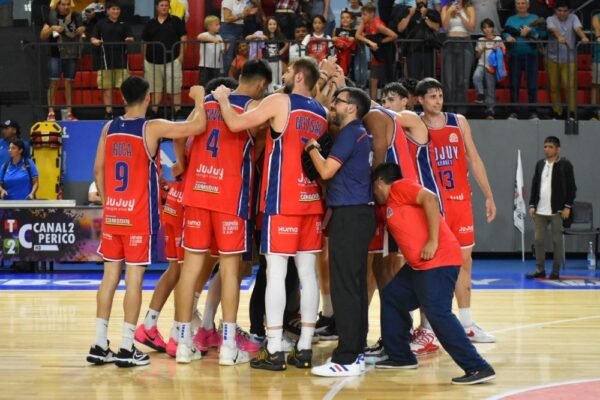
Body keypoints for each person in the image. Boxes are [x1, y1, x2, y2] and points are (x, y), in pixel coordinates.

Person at [212, 57, 327, 371]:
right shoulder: (320, 112)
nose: (284, 74)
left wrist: (222, 99)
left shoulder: (279, 101)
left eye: (289, 71)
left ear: (299, 76)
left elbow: (235, 124)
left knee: (276, 273)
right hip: (311, 201)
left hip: (282, 200)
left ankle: (274, 348)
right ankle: (304, 347)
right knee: (308, 275)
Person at [85, 76, 206, 368]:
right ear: (149, 97)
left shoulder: (108, 128)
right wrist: (200, 98)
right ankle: (127, 347)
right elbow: (197, 126)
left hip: (114, 214)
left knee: (109, 278)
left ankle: (99, 344)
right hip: (138, 217)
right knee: (134, 280)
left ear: (122, 97)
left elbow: (98, 170)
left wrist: (107, 201)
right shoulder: (152, 127)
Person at [173, 59, 273, 365]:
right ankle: (229, 346)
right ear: (261, 85)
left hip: (197, 191)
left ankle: (183, 343)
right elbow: (257, 148)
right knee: (230, 271)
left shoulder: (206, 102)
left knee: (190, 269)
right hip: (230, 197)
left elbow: (180, 135)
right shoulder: (255, 108)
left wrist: (185, 165)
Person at [371, 162, 496, 385]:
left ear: (380, 181)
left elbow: (430, 199)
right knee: (392, 296)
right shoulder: (389, 204)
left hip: (439, 260)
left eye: (373, 187)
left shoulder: (400, 187)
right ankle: (400, 356)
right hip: (418, 266)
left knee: (438, 313)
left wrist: (432, 241)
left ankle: (477, 366)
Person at [411, 78, 497, 354]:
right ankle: (428, 328)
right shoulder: (414, 124)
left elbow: (474, 158)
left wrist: (488, 195)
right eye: (432, 96)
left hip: (460, 202)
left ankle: (467, 323)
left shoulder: (458, 122)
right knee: (431, 265)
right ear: (420, 100)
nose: (438, 101)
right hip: (432, 204)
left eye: (440, 95)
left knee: (464, 262)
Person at [306, 87, 375, 377]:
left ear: (352, 108)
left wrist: (311, 148)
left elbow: (326, 171)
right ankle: (356, 351)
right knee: (355, 287)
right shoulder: (360, 133)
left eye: (339, 101)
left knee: (345, 287)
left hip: (350, 215)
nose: (333, 105)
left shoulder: (349, 133)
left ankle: (347, 357)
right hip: (359, 214)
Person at [527, 136, 576, 280]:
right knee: (539, 241)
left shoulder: (565, 165)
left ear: (557, 149)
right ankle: (540, 269)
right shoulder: (539, 164)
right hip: (540, 211)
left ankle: (555, 271)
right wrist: (532, 205)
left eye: (550, 147)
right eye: (545, 146)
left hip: (557, 211)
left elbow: (572, 187)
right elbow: (535, 185)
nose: (547, 149)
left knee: (556, 242)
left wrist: (567, 206)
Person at [40, 0, 85, 121]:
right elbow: (42, 36)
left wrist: (81, 29)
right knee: (54, 82)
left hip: (72, 53)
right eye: (63, 4)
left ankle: (69, 112)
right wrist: (52, 28)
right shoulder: (51, 17)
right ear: (58, 5)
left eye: (68, 4)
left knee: (69, 83)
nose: (66, 7)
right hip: (56, 54)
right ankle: (51, 112)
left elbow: (82, 27)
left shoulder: (75, 16)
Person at [141, 0, 187, 118]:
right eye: (162, 5)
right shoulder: (150, 23)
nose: (164, 7)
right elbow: (144, 41)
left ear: (169, 7)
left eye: (166, 5)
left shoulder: (176, 21)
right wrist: (144, 58)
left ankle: (178, 111)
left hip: (173, 60)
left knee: (175, 87)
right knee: (154, 88)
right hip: (151, 61)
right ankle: (154, 111)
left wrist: (181, 55)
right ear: (157, 7)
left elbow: (183, 38)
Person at [545, 0, 589, 120]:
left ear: (569, 11)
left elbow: (578, 28)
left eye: (565, 11)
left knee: (569, 85)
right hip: (552, 57)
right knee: (554, 86)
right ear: (555, 11)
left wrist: (584, 37)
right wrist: (559, 37)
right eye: (559, 10)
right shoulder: (550, 19)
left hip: (569, 58)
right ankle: (557, 111)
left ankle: (572, 112)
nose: (562, 13)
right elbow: (553, 30)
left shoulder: (573, 17)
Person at [91, 1, 134, 120]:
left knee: (125, 89)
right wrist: (95, 41)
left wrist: (129, 39)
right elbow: (93, 38)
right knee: (107, 89)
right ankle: (109, 112)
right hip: (105, 61)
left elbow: (131, 37)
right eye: (113, 9)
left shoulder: (124, 24)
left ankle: (128, 113)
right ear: (108, 11)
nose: (116, 11)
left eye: (117, 9)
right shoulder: (100, 24)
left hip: (122, 61)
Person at [502, 0, 543, 120]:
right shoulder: (510, 19)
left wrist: (530, 32)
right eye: (518, 3)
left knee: (532, 85)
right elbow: (505, 33)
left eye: (523, 3)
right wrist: (508, 37)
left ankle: (533, 112)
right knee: (514, 84)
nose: (521, 5)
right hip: (515, 55)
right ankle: (513, 111)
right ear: (515, 5)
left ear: (528, 5)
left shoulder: (535, 18)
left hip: (531, 55)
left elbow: (542, 34)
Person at [356, 3, 398, 100]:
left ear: (372, 14)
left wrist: (380, 42)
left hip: (386, 53)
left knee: (388, 81)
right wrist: (370, 42)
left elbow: (394, 35)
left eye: (364, 14)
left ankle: (389, 102)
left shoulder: (379, 26)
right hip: (376, 54)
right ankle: (373, 104)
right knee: (373, 80)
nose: (362, 17)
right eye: (362, 14)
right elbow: (357, 35)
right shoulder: (364, 22)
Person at [441, 0, 476, 114]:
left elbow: (471, 28)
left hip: (465, 43)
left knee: (463, 80)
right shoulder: (446, 8)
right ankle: (450, 112)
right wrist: (449, 12)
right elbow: (445, 27)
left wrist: (461, 15)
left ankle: (461, 112)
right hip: (449, 43)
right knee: (449, 80)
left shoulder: (469, 8)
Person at [396, 0, 441, 80]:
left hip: (429, 51)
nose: (421, 1)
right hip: (412, 51)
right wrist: (410, 15)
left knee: (428, 79)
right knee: (413, 79)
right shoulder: (408, 11)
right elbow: (400, 28)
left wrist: (425, 17)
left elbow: (436, 27)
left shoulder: (433, 13)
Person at [472, 18, 504, 119]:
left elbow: (503, 52)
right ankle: (480, 94)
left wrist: (497, 48)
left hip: (492, 66)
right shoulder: (480, 40)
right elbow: (477, 56)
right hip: (481, 64)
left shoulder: (498, 39)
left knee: (490, 88)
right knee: (476, 76)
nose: (487, 29)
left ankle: (490, 110)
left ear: (493, 28)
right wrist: (482, 49)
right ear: (482, 30)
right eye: (485, 27)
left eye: (489, 27)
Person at [197, 15, 225, 86]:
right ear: (209, 26)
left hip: (216, 66)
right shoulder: (205, 34)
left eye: (219, 24)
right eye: (216, 25)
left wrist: (225, 47)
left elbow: (222, 50)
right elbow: (199, 37)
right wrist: (212, 39)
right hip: (205, 65)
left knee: (215, 85)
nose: (219, 26)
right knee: (204, 84)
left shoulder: (219, 36)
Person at [593, 13, 600, 120]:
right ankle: (594, 111)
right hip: (599, 58)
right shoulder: (596, 17)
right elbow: (598, 32)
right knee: (596, 85)